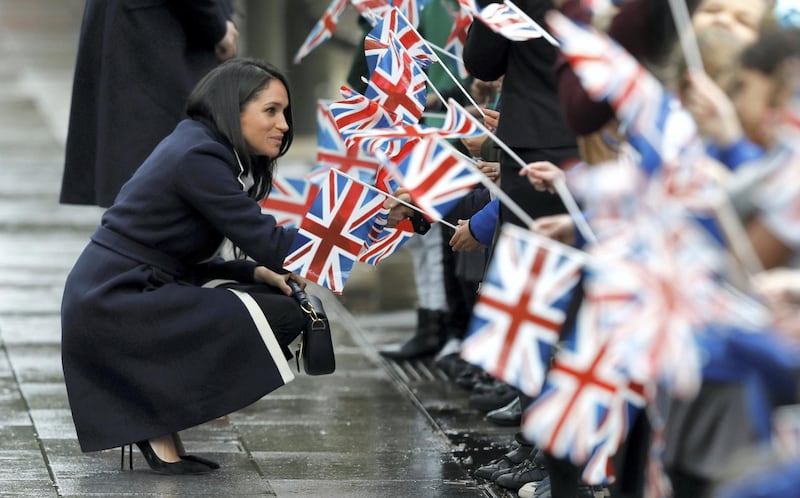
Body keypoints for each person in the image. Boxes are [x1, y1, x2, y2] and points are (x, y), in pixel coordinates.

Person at [61, 59, 309, 475]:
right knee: (284, 314)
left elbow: (170, 252)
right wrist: (370, 219)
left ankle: (155, 417)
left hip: (116, 295)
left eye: (284, 112)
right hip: (114, 305)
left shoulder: (201, 144)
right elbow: (274, 244)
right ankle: (152, 411)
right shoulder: (201, 155)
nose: (283, 124)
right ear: (234, 108)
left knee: (271, 297)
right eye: (271, 110)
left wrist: (254, 272)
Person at [60, 0, 239, 207]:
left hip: (140, 26)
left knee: (144, 178)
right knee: (163, 177)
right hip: (160, 30)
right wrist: (217, 27)